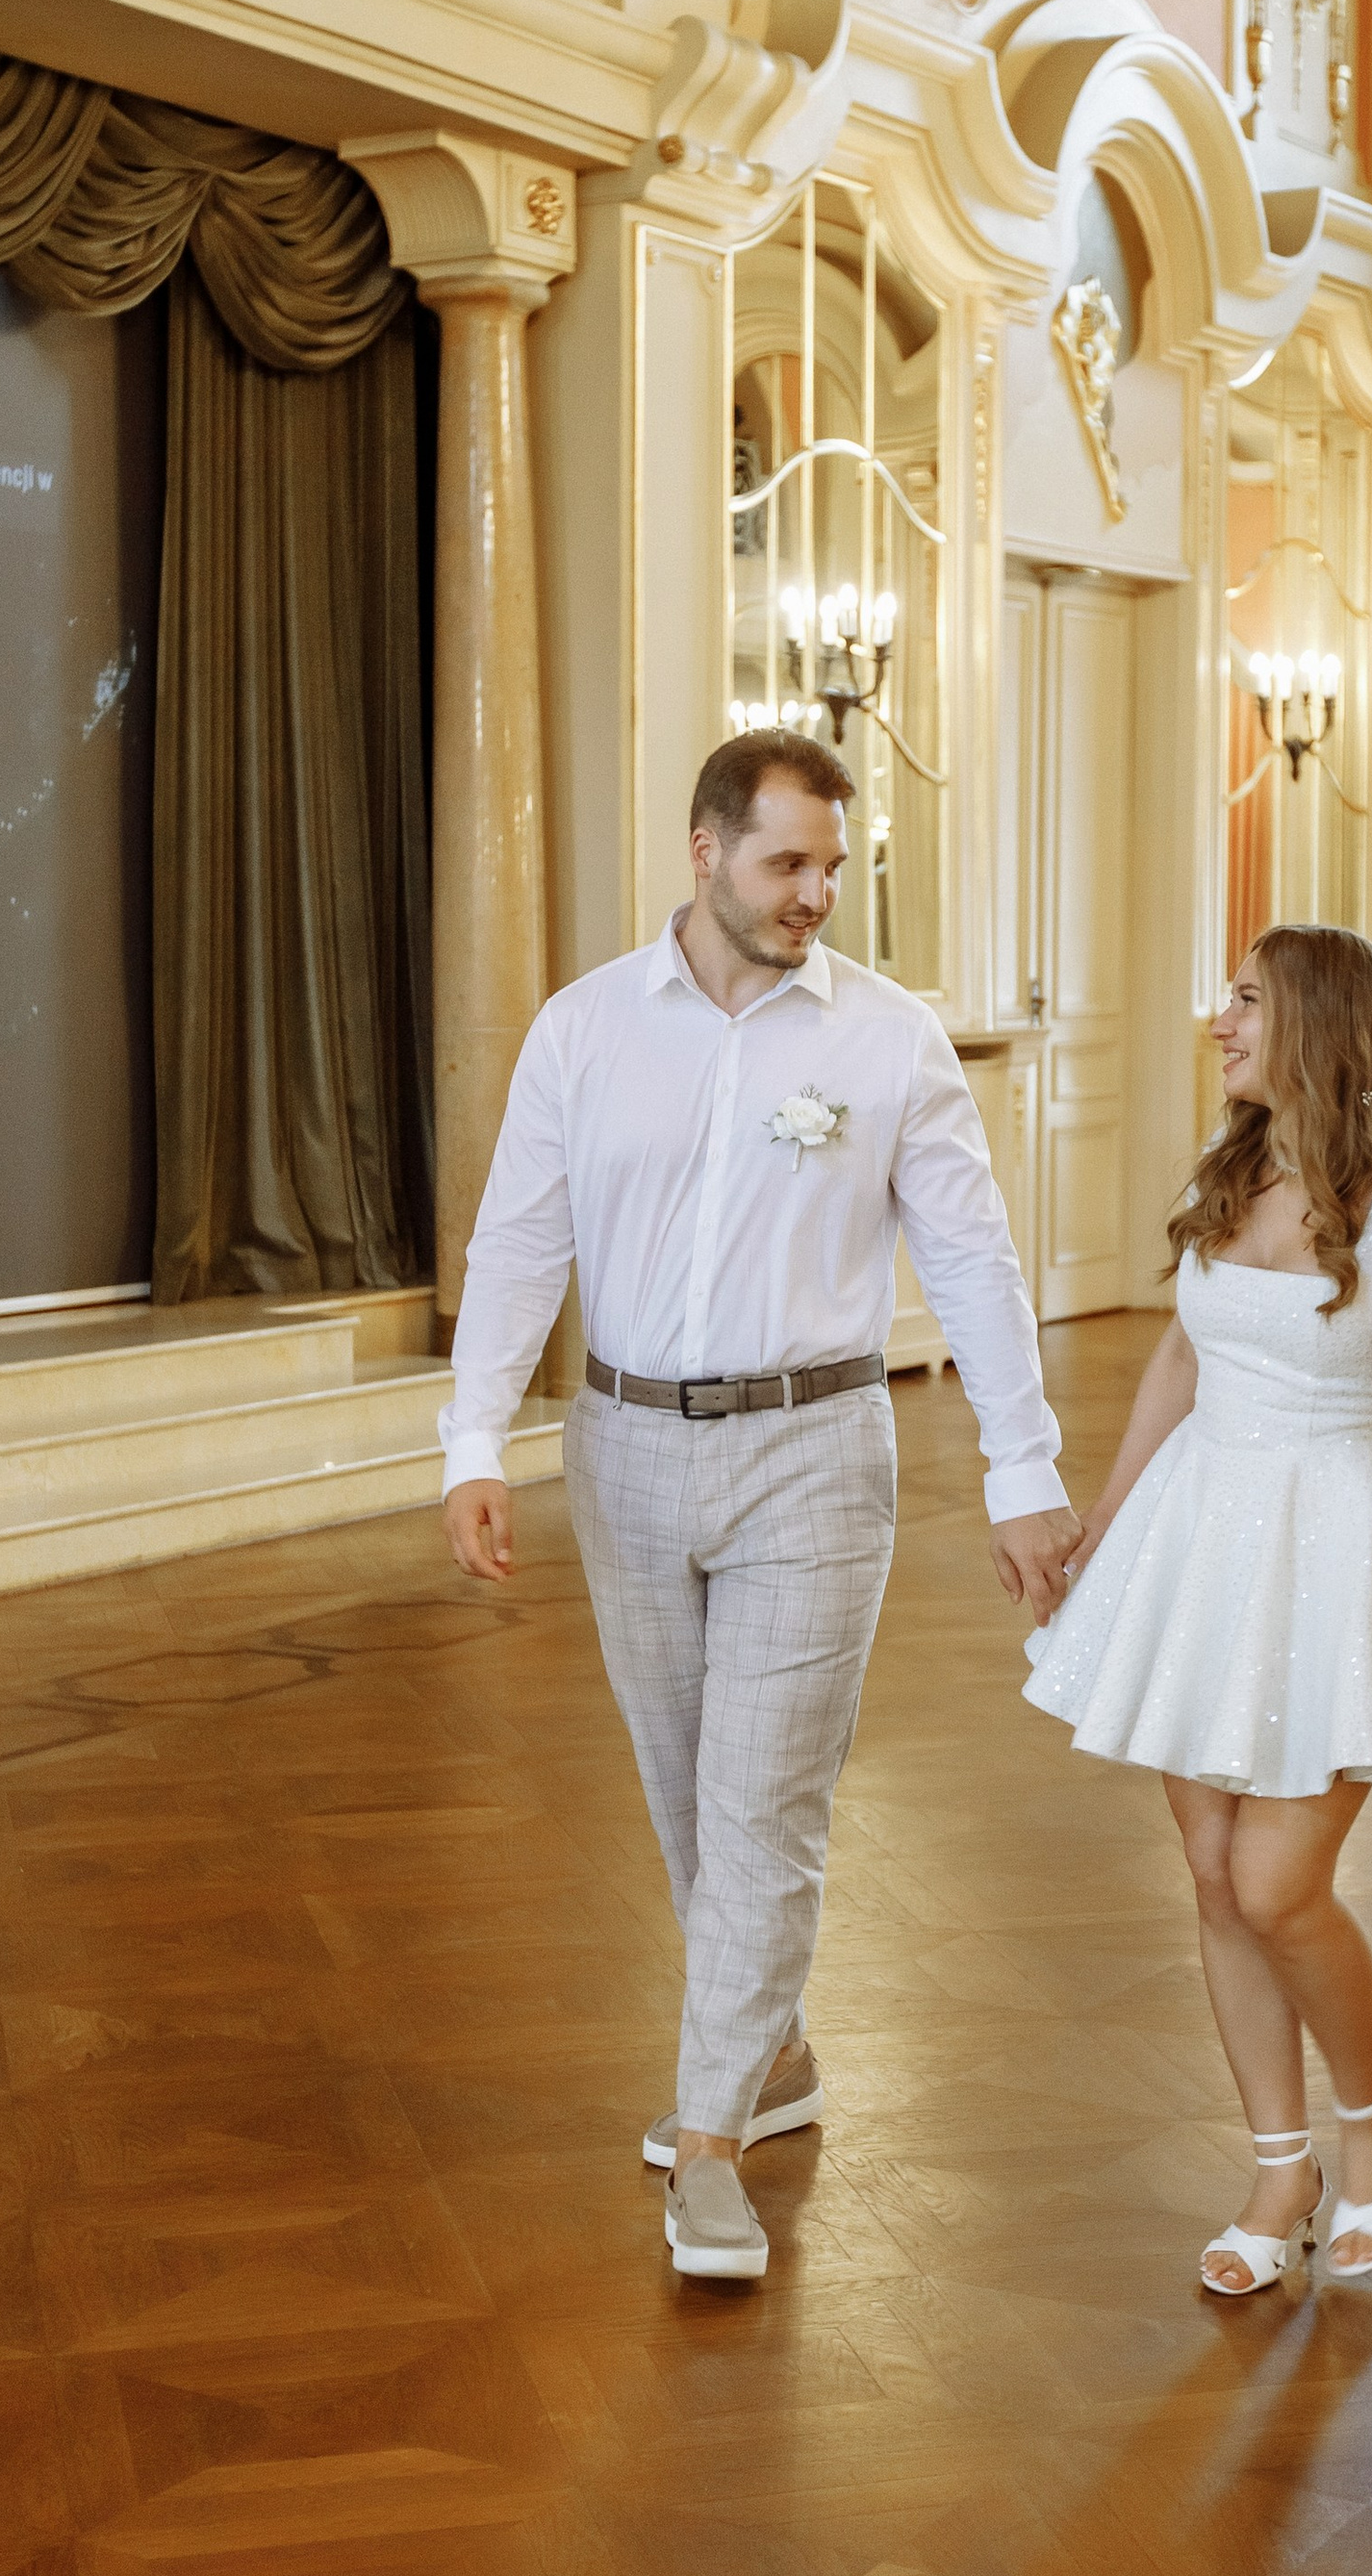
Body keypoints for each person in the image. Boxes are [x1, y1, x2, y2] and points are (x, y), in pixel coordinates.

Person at [442, 728, 1080, 2284]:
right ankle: (775, 2054)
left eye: (832, 866)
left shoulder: (889, 1039)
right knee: (685, 1795)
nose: (817, 894)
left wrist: (1026, 1465)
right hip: (626, 1449)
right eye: (787, 862)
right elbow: (521, 1242)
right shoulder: (585, 1030)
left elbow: (975, 1258)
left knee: (765, 1805)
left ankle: (713, 2141)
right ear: (706, 850)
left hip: (817, 1449)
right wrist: (472, 1437)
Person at [1023, 923, 1372, 2297]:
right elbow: (1185, 1352)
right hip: (1202, 1538)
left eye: (1244, 1000)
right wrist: (1105, 1527)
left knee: (1275, 1879)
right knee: (1210, 1873)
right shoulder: (1229, 1163)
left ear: (1313, 1019)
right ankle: (1277, 2160)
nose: (1219, 1020)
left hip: (1343, 1540)